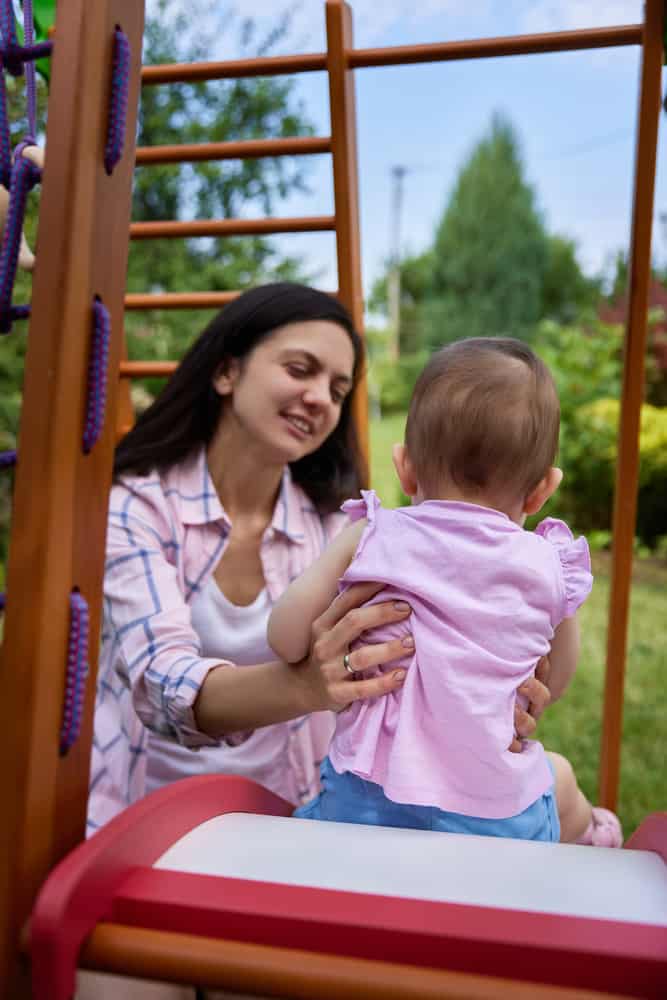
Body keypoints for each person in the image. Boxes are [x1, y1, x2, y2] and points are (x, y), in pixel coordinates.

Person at [88, 287, 550, 835]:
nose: (319, 399)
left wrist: (487, 696)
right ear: (226, 373)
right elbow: (161, 685)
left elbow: (419, 663)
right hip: (148, 813)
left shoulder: (335, 526)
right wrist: (305, 687)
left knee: (555, 780)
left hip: (294, 811)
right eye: (300, 369)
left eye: (338, 389)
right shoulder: (137, 510)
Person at [268, 337, 623, 846]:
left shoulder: (370, 536)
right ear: (544, 489)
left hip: (363, 807)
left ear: (405, 466)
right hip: (499, 819)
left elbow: (284, 638)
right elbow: (555, 680)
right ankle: (598, 840)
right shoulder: (551, 563)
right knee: (559, 783)